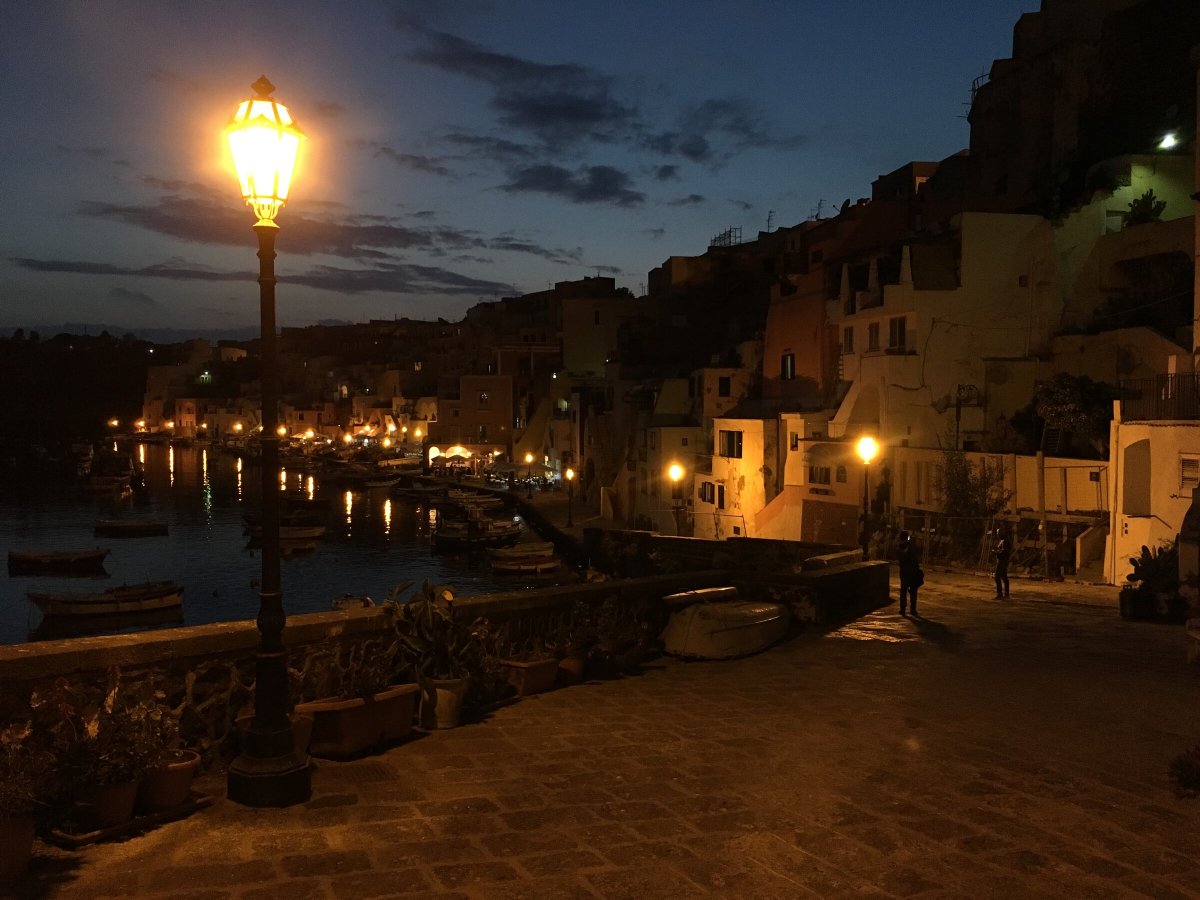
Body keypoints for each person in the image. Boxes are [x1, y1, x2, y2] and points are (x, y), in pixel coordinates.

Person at [896, 530, 922, 616]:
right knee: (913, 590)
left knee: (903, 590)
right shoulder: (911, 546)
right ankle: (913, 609)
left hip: (904, 572)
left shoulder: (899, 547)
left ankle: (902, 609)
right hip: (912, 571)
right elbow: (916, 557)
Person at [992, 525, 1012, 599]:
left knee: (997, 577)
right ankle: (1006, 594)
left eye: (998, 533)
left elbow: (1004, 552)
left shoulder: (1005, 541)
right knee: (1004, 577)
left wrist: (996, 552)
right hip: (1003, 561)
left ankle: (1000, 594)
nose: (997, 535)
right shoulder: (1004, 540)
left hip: (1002, 561)